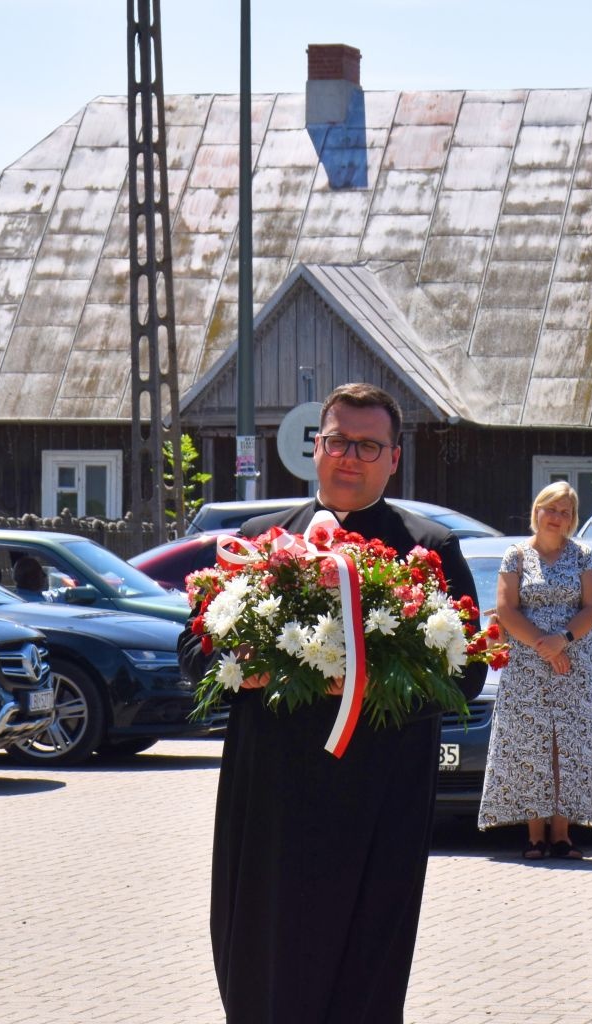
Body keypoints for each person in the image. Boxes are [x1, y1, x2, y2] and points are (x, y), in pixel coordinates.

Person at [178, 382, 487, 1023]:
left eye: (369, 446)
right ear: (315, 447)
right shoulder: (259, 541)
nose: (351, 456)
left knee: (365, 959)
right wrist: (242, 669)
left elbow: (468, 673)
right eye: (339, 441)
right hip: (272, 791)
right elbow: (193, 648)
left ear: (394, 458)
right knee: (261, 952)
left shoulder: (429, 548)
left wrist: (372, 685)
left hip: (379, 793)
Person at [478, 481, 592, 860]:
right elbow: (506, 609)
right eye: (550, 509)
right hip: (527, 664)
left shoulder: (582, 555)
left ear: (572, 519)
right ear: (537, 511)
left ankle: (563, 834)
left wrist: (562, 640)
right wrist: (545, 646)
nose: (556, 517)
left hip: (574, 663)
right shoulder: (516, 556)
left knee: (566, 744)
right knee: (530, 743)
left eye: (564, 512)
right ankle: (535, 835)